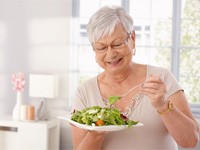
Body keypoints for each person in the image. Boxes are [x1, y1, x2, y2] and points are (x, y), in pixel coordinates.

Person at [71, 5, 199, 150]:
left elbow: (191, 141)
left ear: (132, 38)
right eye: (101, 47)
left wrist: (162, 105)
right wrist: (97, 131)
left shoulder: (161, 78)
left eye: (117, 44)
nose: (111, 54)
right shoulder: (84, 92)